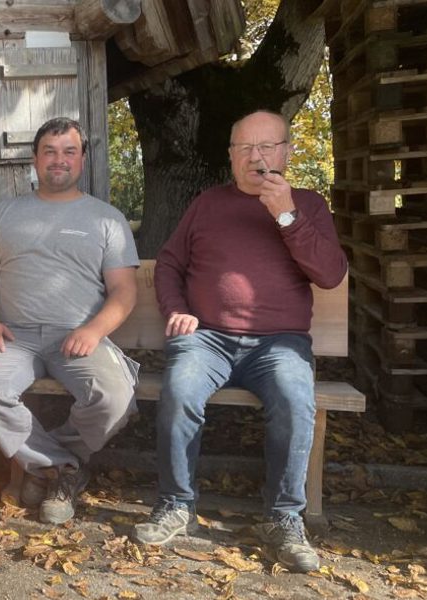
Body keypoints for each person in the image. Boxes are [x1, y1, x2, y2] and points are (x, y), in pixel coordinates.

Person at [130, 110, 348, 572]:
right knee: (179, 392)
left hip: (279, 343)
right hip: (207, 338)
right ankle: (176, 505)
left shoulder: (308, 205)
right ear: (230, 156)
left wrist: (286, 215)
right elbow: (169, 265)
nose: (255, 157)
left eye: (266, 147)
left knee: (295, 400)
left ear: (287, 152)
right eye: (244, 148)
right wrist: (177, 309)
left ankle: (284, 518)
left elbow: (330, 275)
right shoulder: (207, 204)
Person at [0, 117, 141, 525]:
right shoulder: (4, 214)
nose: (59, 160)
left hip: (78, 336)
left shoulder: (106, 219)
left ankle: (41, 467)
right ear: (36, 159)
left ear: (82, 159)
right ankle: (63, 469)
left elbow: (124, 290)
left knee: (115, 399)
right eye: (50, 152)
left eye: (69, 151)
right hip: (14, 336)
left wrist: (94, 330)